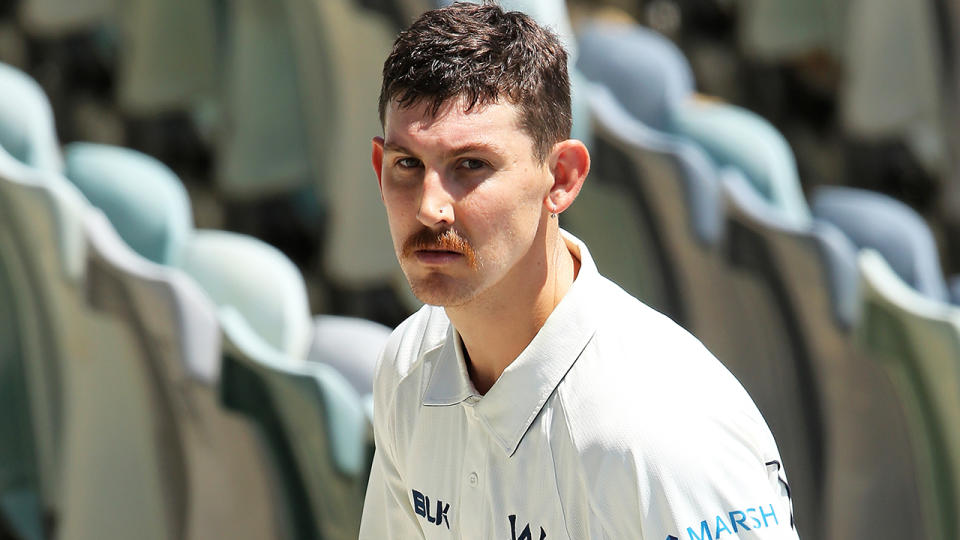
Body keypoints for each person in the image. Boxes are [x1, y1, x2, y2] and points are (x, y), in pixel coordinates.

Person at [360, 3, 800, 539]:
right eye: (409, 165)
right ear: (381, 170)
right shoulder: (409, 368)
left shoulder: (666, 438)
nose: (431, 208)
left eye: (470, 165)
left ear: (562, 178)